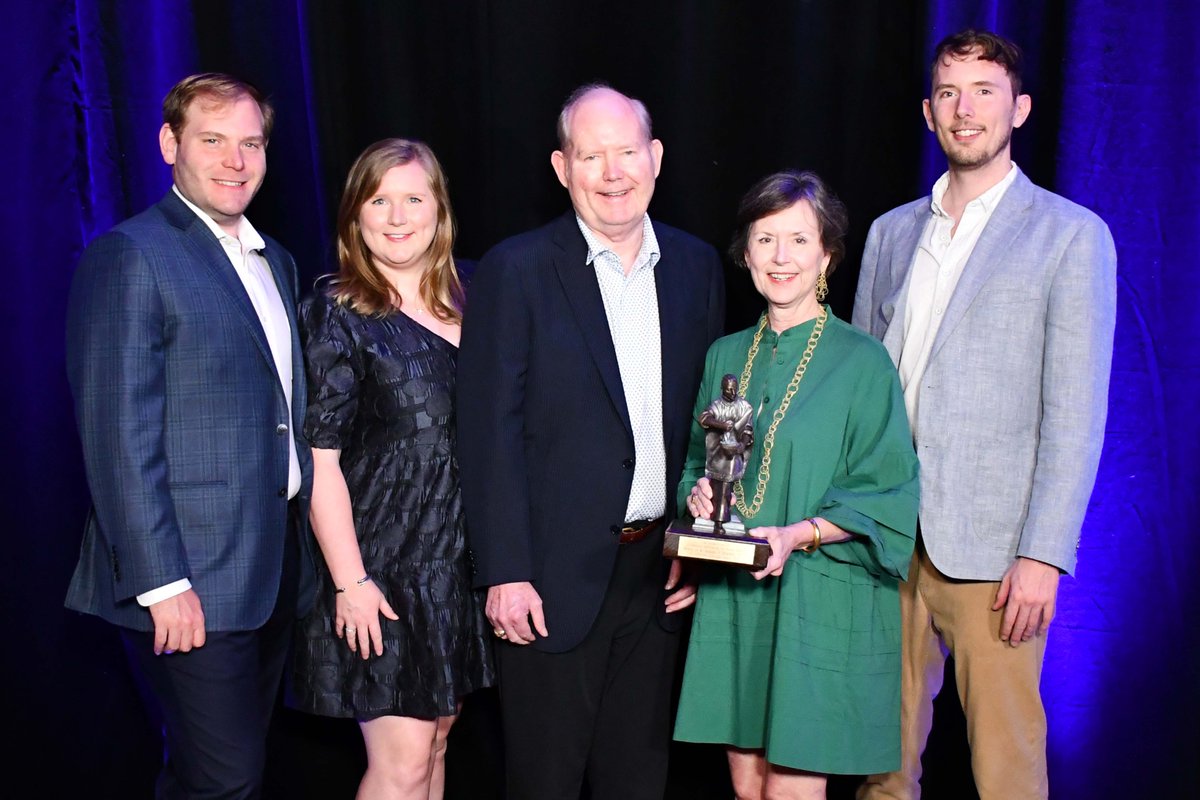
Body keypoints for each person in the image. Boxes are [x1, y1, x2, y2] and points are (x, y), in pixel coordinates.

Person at [852, 30, 1117, 800]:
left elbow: (1075, 414)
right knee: (879, 760)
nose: (964, 110)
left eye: (984, 92)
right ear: (929, 112)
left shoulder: (1071, 237)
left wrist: (1043, 553)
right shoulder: (891, 233)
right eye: (948, 92)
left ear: (1020, 108)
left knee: (1005, 765)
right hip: (886, 537)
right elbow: (866, 384)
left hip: (997, 558)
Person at [456, 84, 725, 799]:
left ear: (656, 157)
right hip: (547, 581)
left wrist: (698, 547)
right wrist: (504, 571)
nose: (613, 171)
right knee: (543, 783)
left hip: (657, 579)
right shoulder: (515, 270)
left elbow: (706, 426)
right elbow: (489, 432)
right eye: (591, 155)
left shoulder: (697, 269)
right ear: (561, 168)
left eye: (627, 151)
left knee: (637, 782)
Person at [64, 73, 313, 798]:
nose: (235, 160)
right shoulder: (132, 255)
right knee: (229, 783)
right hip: (188, 581)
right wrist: (160, 582)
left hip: (266, 573)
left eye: (251, 143)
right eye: (213, 140)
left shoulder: (277, 261)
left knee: (208, 777)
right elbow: (116, 435)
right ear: (170, 143)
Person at [674, 170, 920, 800]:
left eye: (798, 239)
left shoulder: (862, 361)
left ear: (827, 255)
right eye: (765, 239)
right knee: (747, 785)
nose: (781, 257)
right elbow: (696, 469)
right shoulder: (724, 355)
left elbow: (888, 493)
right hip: (737, 598)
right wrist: (698, 498)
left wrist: (798, 534)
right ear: (746, 253)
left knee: (790, 788)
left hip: (818, 592)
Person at [290, 138, 494, 799]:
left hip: (457, 569)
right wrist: (351, 582)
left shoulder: (478, 296)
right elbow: (317, 460)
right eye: (380, 200)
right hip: (383, 570)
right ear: (356, 214)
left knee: (435, 747)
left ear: (440, 211)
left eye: (414, 199)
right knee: (401, 765)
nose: (398, 216)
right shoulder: (338, 313)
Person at [697, 373, 754, 533]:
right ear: (722, 389)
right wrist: (721, 425)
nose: (732, 393)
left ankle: (721, 518)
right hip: (717, 453)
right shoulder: (717, 405)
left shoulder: (744, 406)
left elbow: (748, 429)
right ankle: (717, 517)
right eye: (729, 390)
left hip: (734, 452)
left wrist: (742, 444)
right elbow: (703, 418)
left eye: (734, 390)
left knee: (726, 485)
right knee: (716, 485)